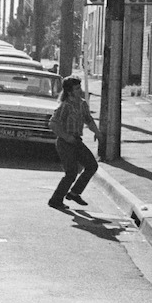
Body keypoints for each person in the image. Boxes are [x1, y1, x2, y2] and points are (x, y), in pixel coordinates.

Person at [48, 77, 99, 210]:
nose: (80, 90)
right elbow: (53, 123)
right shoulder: (65, 106)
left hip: (77, 141)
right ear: (69, 91)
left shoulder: (82, 104)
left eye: (79, 87)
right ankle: (55, 200)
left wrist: (97, 133)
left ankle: (75, 193)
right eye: (77, 89)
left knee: (92, 165)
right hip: (65, 143)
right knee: (71, 173)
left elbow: (89, 120)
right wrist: (65, 136)